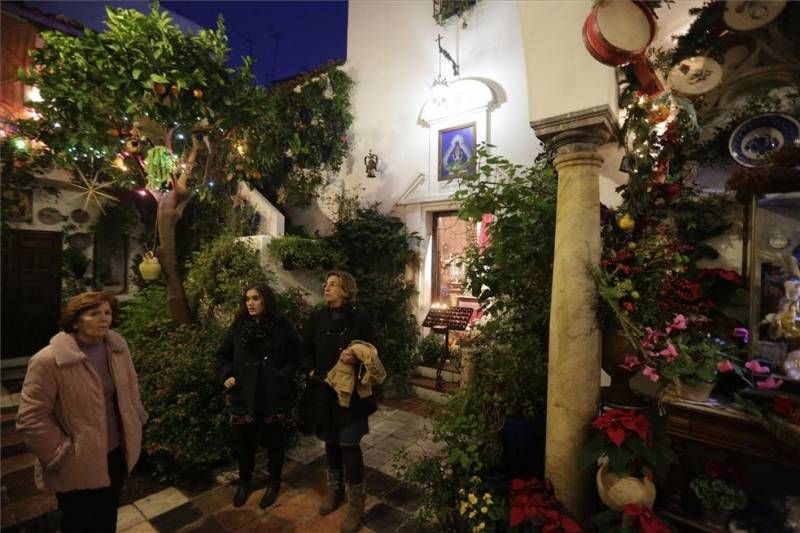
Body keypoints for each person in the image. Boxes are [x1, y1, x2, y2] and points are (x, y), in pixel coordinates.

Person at [16, 291, 148, 533]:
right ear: (75, 321)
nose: (104, 319)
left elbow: (131, 386)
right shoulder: (48, 360)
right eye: (94, 313)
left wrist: (136, 417)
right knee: (78, 522)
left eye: (107, 313)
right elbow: (31, 418)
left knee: (107, 517)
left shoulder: (117, 347)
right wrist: (60, 452)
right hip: (77, 460)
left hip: (115, 451)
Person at [303, 271, 380, 533]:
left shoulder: (360, 318)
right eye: (326, 283)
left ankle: (356, 503)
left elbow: (374, 351)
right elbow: (305, 349)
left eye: (333, 284)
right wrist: (311, 370)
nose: (326, 287)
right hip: (325, 392)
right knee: (331, 443)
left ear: (346, 290)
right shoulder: (317, 317)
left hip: (351, 396)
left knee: (348, 444)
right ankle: (335, 491)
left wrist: (356, 357)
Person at [217, 282, 299, 508]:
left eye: (255, 298)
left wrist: (282, 376)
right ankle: (245, 483)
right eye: (247, 299)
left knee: (275, 443)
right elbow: (223, 355)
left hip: (273, 395)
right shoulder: (238, 326)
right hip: (245, 394)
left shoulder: (282, 326)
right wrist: (227, 374)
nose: (250, 303)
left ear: (266, 300)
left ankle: (274, 483)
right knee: (245, 444)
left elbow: (296, 355)